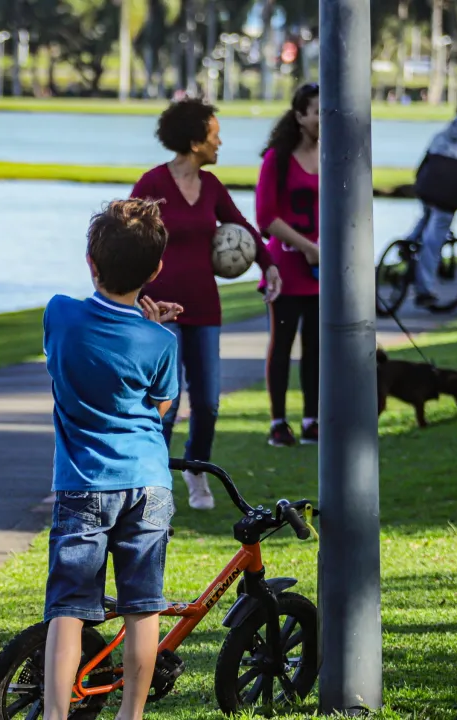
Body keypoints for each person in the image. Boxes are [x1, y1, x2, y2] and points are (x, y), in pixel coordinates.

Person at [41, 199, 181, 720]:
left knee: (69, 609)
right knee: (143, 607)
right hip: (148, 483)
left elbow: (76, 354)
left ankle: (55, 715)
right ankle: (131, 714)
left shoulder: (60, 314)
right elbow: (159, 408)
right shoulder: (161, 341)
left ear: (91, 262)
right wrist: (150, 325)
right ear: (156, 270)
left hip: (84, 484)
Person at [130, 97, 281, 510]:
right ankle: (155, 483)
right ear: (195, 141)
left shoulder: (212, 187)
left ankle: (196, 470)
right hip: (160, 312)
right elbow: (126, 236)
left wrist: (268, 265)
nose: (220, 142)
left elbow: (243, 227)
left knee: (208, 402)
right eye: (215, 135)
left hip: (204, 308)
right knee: (167, 403)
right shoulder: (152, 184)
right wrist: (131, 297)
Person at [256, 82, 320, 447]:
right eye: (317, 112)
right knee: (282, 344)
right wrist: (307, 247)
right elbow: (266, 217)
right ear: (299, 116)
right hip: (286, 269)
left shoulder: (333, 155)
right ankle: (278, 423)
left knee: (316, 347)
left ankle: (312, 419)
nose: (323, 119)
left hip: (321, 271)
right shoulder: (277, 159)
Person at [408, 103, 457, 308]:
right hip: (448, 198)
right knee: (433, 243)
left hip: (426, 189)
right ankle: (424, 291)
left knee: (426, 216)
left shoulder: (439, 137)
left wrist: (419, 185)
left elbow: (422, 165)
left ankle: (407, 243)